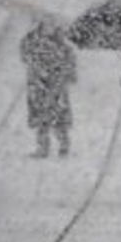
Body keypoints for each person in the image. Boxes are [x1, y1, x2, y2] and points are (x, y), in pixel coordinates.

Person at [20, 16, 77, 158]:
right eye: (46, 25)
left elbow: (70, 66)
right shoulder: (32, 42)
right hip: (38, 85)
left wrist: (65, 73)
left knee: (58, 118)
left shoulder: (62, 46)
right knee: (41, 118)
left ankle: (64, 146)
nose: (48, 28)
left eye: (51, 25)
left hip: (56, 86)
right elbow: (24, 55)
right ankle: (42, 147)